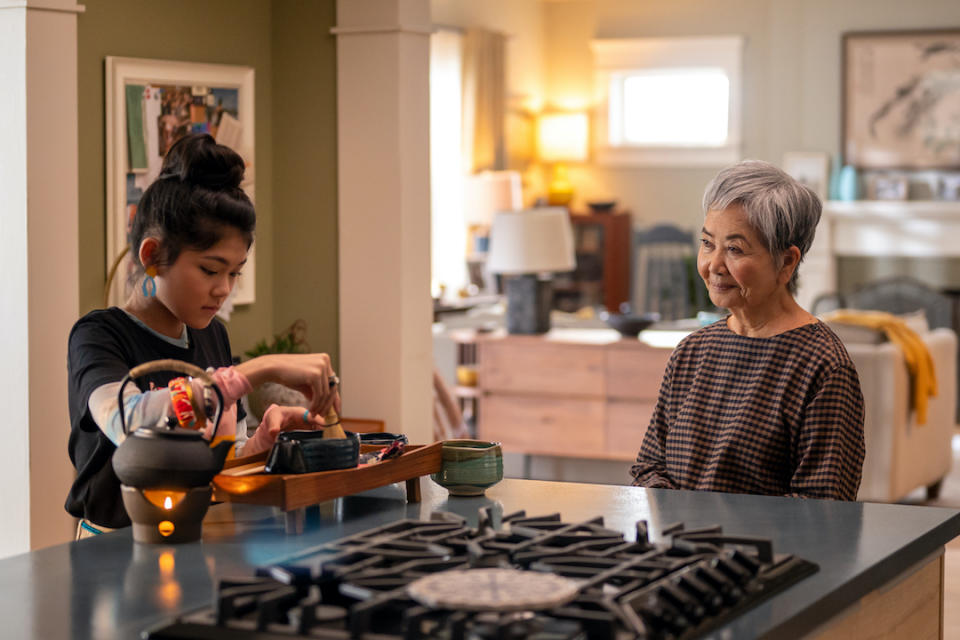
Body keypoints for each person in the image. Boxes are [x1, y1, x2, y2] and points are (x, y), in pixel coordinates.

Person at [66, 133, 340, 536]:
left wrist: (263, 439)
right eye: (211, 270)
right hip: (113, 551)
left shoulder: (213, 336)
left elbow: (222, 461)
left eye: (235, 272)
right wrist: (251, 373)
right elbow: (127, 420)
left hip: (197, 539)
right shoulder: (99, 335)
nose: (224, 289)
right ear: (153, 256)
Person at [630, 160, 865, 500]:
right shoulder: (691, 352)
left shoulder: (823, 367)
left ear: (786, 262)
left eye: (735, 249)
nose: (713, 265)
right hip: (680, 548)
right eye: (708, 243)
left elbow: (821, 509)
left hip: (765, 554)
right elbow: (649, 467)